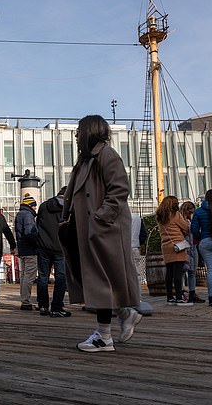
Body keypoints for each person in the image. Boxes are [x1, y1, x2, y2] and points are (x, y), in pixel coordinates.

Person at [61, 115, 141, 352]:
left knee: (101, 282)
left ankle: (104, 336)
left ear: (89, 132)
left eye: (78, 131)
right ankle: (124, 313)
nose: (75, 136)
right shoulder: (87, 160)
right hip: (89, 230)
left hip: (102, 230)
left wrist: (99, 219)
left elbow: (119, 190)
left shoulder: (105, 155)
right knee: (98, 280)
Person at [36, 186, 71, 317]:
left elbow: (38, 224)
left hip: (43, 246)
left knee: (43, 277)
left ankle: (43, 306)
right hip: (60, 248)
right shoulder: (68, 208)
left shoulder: (44, 206)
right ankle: (56, 307)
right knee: (61, 277)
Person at [157, 196, 192, 306]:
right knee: (177, 273)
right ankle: (179, 297)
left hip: (166, 246)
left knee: (169, 272)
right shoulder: (175, 214)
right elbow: (186, 227)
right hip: (178, 246)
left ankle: (170, 298)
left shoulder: (160, 216)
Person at [15, 194, 39, 311]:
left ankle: (24, 300)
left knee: (24, 276)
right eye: (34, 206)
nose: (35, 208)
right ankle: (26, 301)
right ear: (30, 206)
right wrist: (38, 244)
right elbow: (30, 233)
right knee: (30, 276)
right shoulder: (28, 215)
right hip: (30, 250)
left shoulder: (20, 214)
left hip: (22, 249)